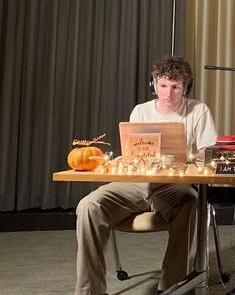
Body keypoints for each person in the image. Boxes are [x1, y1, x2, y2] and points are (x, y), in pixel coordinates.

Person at [75, 56, 217, 295]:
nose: (168, 92)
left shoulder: (198, 110)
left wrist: (191, 155)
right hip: (137, 183)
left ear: (186, 87)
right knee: (89, 205)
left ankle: (173, 287)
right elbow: (133, 153)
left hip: (175, 184)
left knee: (192, 202)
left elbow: (210, 151)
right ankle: (91, 291)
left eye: (175, 87)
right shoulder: (140, 111)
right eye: (162, 85)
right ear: (153, 85)